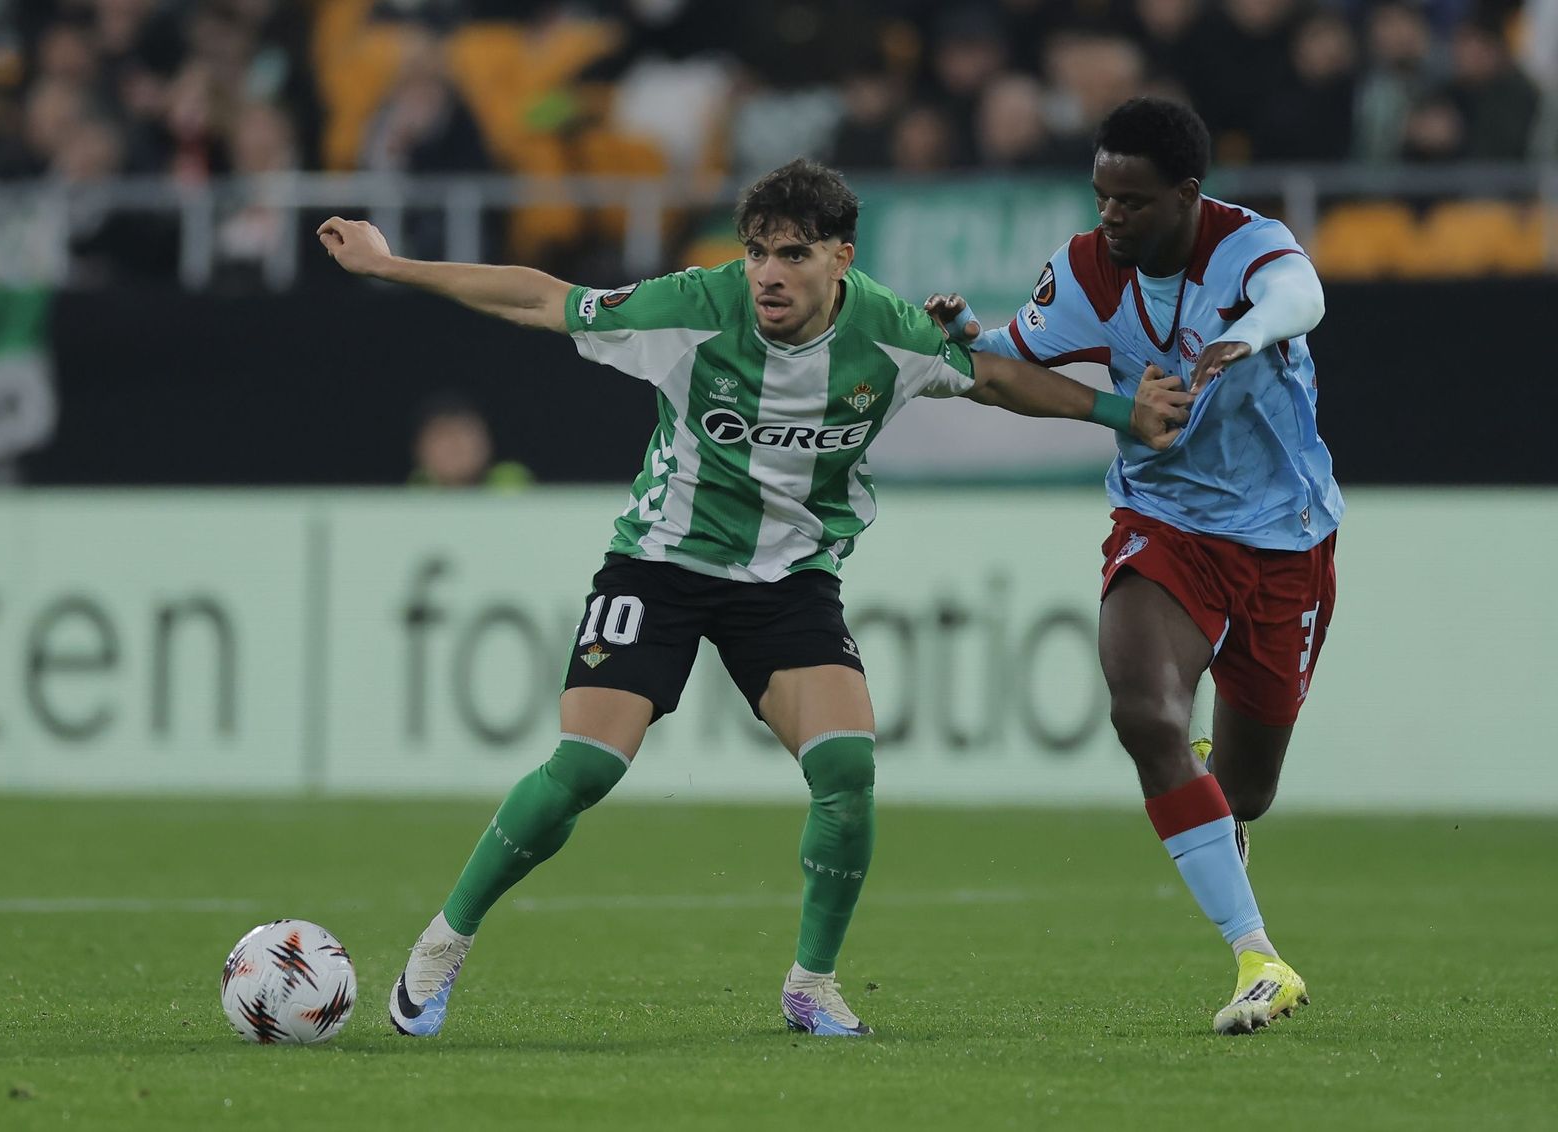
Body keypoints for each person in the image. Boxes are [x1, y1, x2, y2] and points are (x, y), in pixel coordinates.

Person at [317, 157, 1191, 1040]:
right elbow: (545, 298)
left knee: (847, 774)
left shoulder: (889, 334)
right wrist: (392, 266)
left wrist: (1124, 415)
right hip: (662, 563)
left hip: (791, 580)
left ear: (841, 257)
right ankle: (443, 942)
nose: (769, 273)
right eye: (758, 252)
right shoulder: (694, 307)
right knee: (587, 765)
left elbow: (996, 379)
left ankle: (812, 983)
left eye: (794, 254)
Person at [927, 98, 1340, 1036]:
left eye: (1133, 201)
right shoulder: (1084, 265)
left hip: (1286, 535)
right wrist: (970, 337)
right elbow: (1013, 356)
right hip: (1164, 518)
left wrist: (1247, 336)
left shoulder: (1245, 246)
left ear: (1188, 196)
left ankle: (1215, 800)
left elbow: (1300, 295)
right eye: (1102, 195)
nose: (1110, 216)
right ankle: (1259, 958)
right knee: (1143, 712)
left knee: (1247, 794)